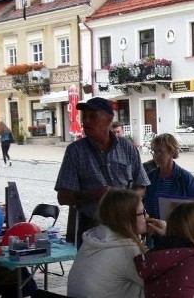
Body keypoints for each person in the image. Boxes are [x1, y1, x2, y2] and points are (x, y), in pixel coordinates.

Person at [56, 188, 161, 298]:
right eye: (142, 213)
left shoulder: (94, 239)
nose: (148, 216)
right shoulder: (126, 250)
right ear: (126, 217)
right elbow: (161, 283)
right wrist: (170, 237)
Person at [54, 97, 150, 248]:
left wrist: (121, 200)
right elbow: (63, 197)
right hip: (92, 227)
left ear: (109, 119)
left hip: (125, 225)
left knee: (129, 268)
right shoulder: (75, 151)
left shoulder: (127, 147)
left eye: (92, 116)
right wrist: (95, 194)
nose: (86, 121)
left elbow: (142, 187)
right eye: (84, 116)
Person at [143, 133, 194, 221]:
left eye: (160, 151)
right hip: (153, 231)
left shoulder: (186, 179)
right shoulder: (151, 176)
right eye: (154, 151)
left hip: (177, 231)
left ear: (172, 152)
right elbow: (146, 205)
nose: (156, 155)